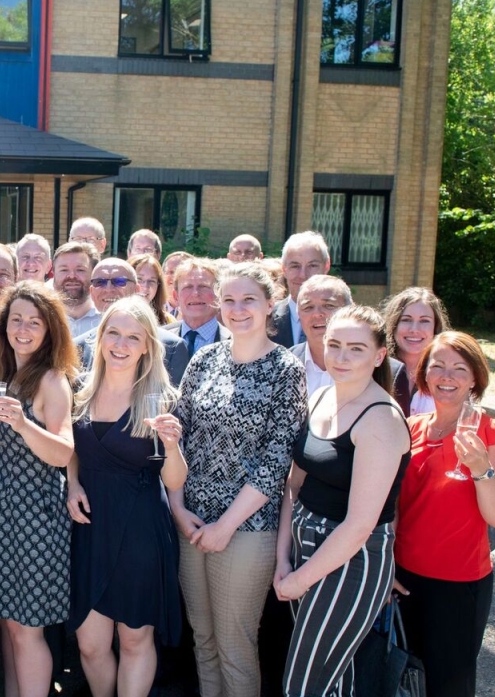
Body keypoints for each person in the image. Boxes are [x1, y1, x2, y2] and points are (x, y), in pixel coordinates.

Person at [170, 262, 307, 697]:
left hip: (246, 528)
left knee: (235, 646)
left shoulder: (286, 370)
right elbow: (178, 433)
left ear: (270, 305)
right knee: (204, 642)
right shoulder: (204, 361)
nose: (237, 309)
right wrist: (177, 508)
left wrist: (226, 526)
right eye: (228, 299)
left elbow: (275, 462)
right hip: (192, 522)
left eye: (248, 299)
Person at [273, 305, 411, 697]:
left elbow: (359, 525)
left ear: (380, 355)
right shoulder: (319, 398)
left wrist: (299, 579)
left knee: (303, 688)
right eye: (334, 345)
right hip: (303, 550)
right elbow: (292, 487)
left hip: (352, 563)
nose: (341, 357)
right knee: (334, 682)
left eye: (356, 348)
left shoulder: (380, 419)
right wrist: (283, 559)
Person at [67, 296, 187, 697]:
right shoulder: (78, 391)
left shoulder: (162, 398)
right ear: (99, 338)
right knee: (90, 643)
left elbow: (174, 481)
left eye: (132, 337)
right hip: (89, 528)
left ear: (147, 346)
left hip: (140, 531)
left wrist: (171, 446)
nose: (120, 344)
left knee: (135, 640)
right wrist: (72, 483)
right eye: (113, 333)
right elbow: (67, 448)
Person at [394, 331, 495, 697]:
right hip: (402, 579)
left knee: (449, 685)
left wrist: (481, 468)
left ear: (474, 378)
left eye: (459, 368)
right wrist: (384, 567)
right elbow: (394, 508)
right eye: (438, 366)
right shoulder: (410, 428)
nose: (447, 376)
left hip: (458, 585)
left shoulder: (490, 433)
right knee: (401, 677)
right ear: (425, 373)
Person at [0, 281, 77, 697]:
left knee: (27, 629)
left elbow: (63, 452)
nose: (23, 329)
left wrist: (23, 424)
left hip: (37, 518)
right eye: (16, 320)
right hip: (5, 515)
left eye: (34, 322)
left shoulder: (52, 380)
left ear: (49, 330)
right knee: (8, 623)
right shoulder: (5, 373)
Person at [76, 259, 188, 386]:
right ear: (91, 292)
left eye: (119, 282)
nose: (108, 289)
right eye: (99, 282)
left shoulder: (171, 347)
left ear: (137, 290)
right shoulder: (78, 347)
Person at [381, 287, 451, 416]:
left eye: (424, 321)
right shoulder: (375, 369)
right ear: (393, 325)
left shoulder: (448, 374)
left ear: (435, 327)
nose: (414, 329)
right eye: (406, 320)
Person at [162, 258, 230, 377]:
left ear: (219, 294)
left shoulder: (234, 342)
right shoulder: (159, 339)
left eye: (203, 286)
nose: (195, 293)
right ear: (175, 296)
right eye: (187, 287)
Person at [272, 232, 331, 348]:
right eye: (295, 266)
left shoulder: (346, 320)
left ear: (326, 266)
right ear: (284, 269)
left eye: (312, 265)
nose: (303, 275)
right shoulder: (264, 321)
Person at [53, 241, 101, 339]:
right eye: (64, 270)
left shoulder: (106, 319)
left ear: (94, 274)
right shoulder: (42, 317)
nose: (71, 276)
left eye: (80, 270)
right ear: (53, 274)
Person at [128, 254, 173, 325]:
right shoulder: (113, 318)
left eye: (152, 281)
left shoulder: (168, 322)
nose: (145, 286)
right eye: (139, 279)